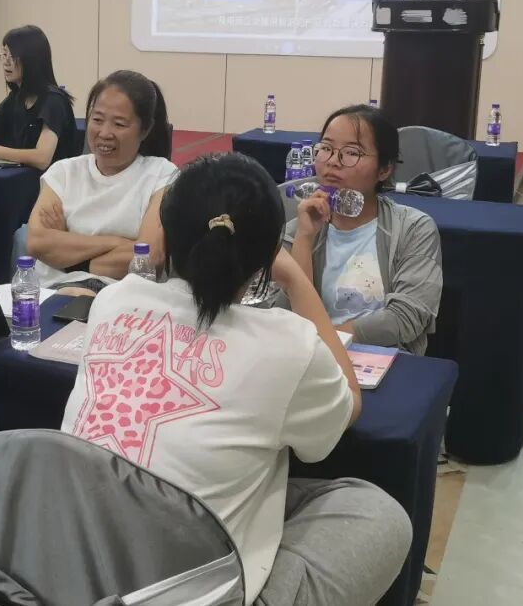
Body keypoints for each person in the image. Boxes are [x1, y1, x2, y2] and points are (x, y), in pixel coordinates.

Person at [61, 153, 411, 606]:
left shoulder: (114, 301)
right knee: (378, 513)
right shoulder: (289, 343)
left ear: (165, 232)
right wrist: (295, 279)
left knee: (259, 485)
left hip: (76, 563)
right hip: (183, 584)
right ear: (268, 251)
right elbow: (349, 402)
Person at [284, 104, 442, 355]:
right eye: (326, 148)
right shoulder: (296, 228)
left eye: (351, 153)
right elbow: (283, 315)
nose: (333, 161)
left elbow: (406, 317)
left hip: (384, 359)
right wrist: (304, 238)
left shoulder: (413, 229)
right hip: (311, 358)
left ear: (385, 169)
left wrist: (330, 340)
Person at [26, 70, 176, 289]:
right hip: (53, 292)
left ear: (145, 130)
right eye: (97, 119)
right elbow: (37, 243)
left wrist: (68, 248)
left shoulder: (162, 174)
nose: (104, 133)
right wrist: (120, 243)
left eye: (119, 124)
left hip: (124, 296)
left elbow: (149, 257)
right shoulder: (63, 173)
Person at [0, 25, 78, 170]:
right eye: (4, 55)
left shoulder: (53, 101)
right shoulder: (16, 98)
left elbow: (42, 159)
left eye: (12, 56)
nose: (6, 62)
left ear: (32, 60)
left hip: (53, 181)